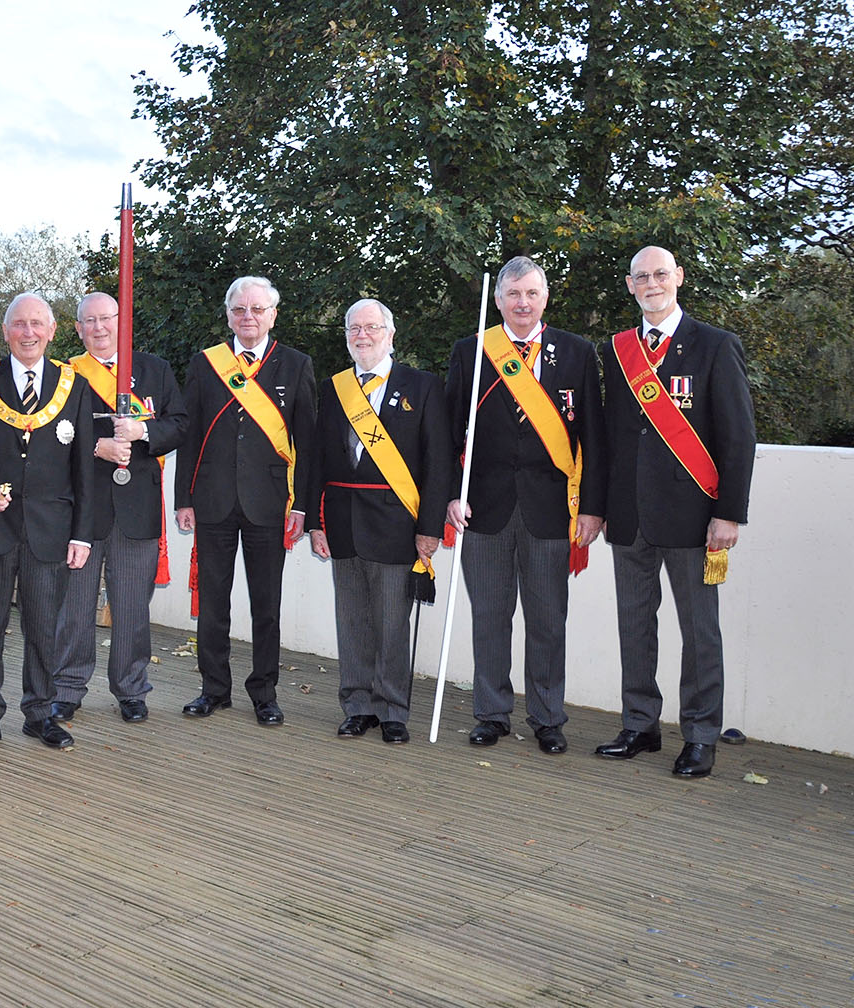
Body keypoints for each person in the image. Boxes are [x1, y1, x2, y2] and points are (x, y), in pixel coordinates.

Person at [595, 245, 755, 779]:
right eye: (642, 277)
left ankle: (701, 734)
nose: (652, 283)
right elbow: (607, 438)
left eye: (661, 274)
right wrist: (598, 507)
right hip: (630, 517)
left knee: (699, 631)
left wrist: (729, 513)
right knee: (635, 627)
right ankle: (639, 725)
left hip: (694, 518)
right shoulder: (618, 351)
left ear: (679, 278)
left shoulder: (715, 345)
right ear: (630, 285)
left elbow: (738, 439)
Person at [445, 256, 605, 755]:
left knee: (547, 618)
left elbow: (594, 437)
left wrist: (593, 508)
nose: (522, 303)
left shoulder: (577, 352)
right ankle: (491, 713)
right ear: (498, 301)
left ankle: (547, 717)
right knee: (490, 615)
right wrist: (452, 492)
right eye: (513, 295)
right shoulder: (472, 351)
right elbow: (449, 434)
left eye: (531, 294)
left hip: (552, 509)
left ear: (545, 298)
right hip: (484, 507)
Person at [0, 292, 93, 757]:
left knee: (45, 627)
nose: (28, 333)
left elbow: (84, 469)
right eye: (19, 324)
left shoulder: (76, 387)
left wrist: (82, 532)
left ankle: (40, 712)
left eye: (37, 324)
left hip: (50, 530)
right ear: (6, 332)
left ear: (52, 332)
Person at [305, 298, 451, 744]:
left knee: (391, 621)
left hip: (396, 522)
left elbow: (438, 462)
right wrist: (315, 521)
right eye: (353, 329)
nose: (362, 336)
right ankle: (357, 704)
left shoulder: (422, 386)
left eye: (371, 327)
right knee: (351, 620)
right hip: (343, 521)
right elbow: (315, 461)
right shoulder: (333, 389)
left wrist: (429, 528)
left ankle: (392, 710)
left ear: (390, 334)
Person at [174, 276, 317, 724]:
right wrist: (184, 498)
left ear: (274, 314)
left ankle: (265, 694)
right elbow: (190, 433)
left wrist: (302, 506)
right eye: (239, 310)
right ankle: (213, 689)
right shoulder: (205, 363)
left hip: (270, 503)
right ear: (229, 315)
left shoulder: (296, 365)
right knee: (213, 603)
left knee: (266, 606)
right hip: (213, 499)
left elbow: (308, 443)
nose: (248, 317)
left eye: (257, 309)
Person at [51, 292, 186, 723]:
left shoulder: (154, 369)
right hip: (81, 511)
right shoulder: (65, 374)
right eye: (89, 321)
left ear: (120, 321)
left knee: (131, 606)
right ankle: (67, 688)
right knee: (75, 606)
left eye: (106, 319)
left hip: (136, 507)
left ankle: (131, 689)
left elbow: (179, 424)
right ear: (77, 329)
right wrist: (97, 446)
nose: (99, 328)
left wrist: (143, 431)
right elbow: (51, 434)